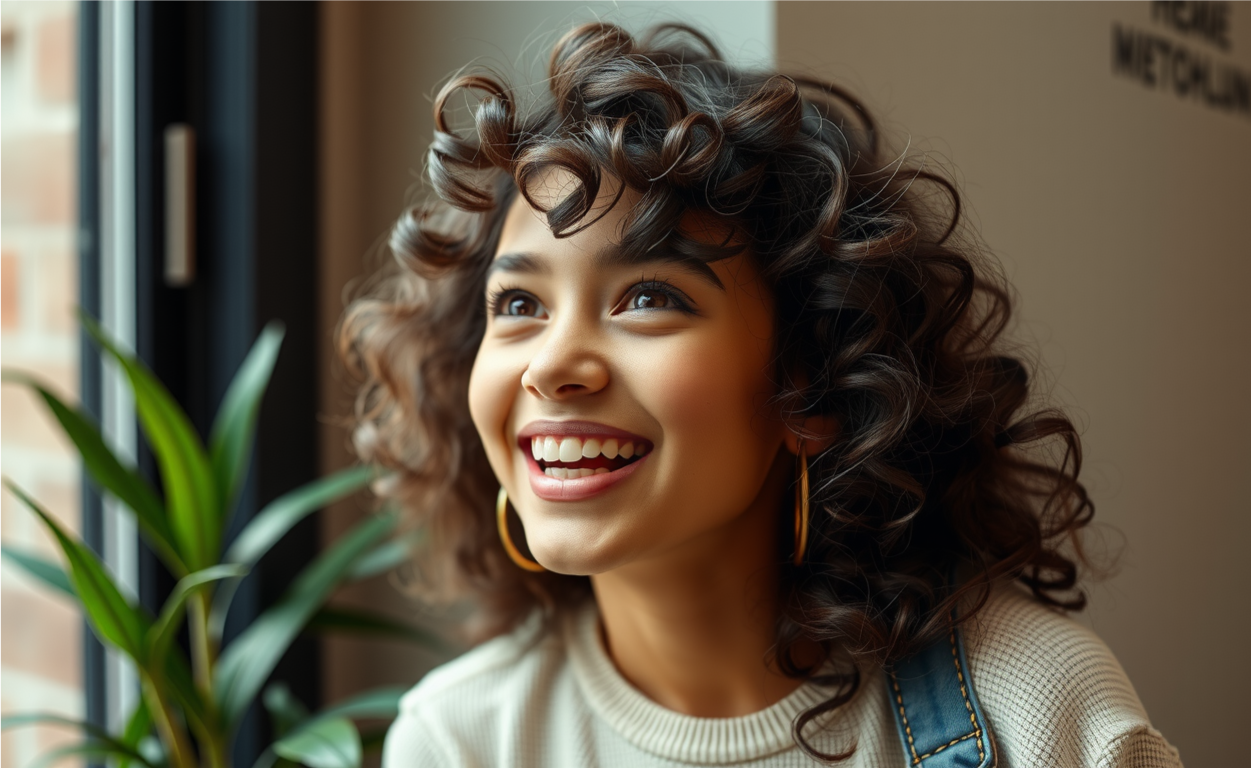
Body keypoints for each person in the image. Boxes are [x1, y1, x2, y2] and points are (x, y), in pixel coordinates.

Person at [340, 21, 1183, 768]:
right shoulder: (458, 742)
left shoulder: (1036, 715)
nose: (553, 366)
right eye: (518, 305)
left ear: (810, 385)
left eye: (648, 298)